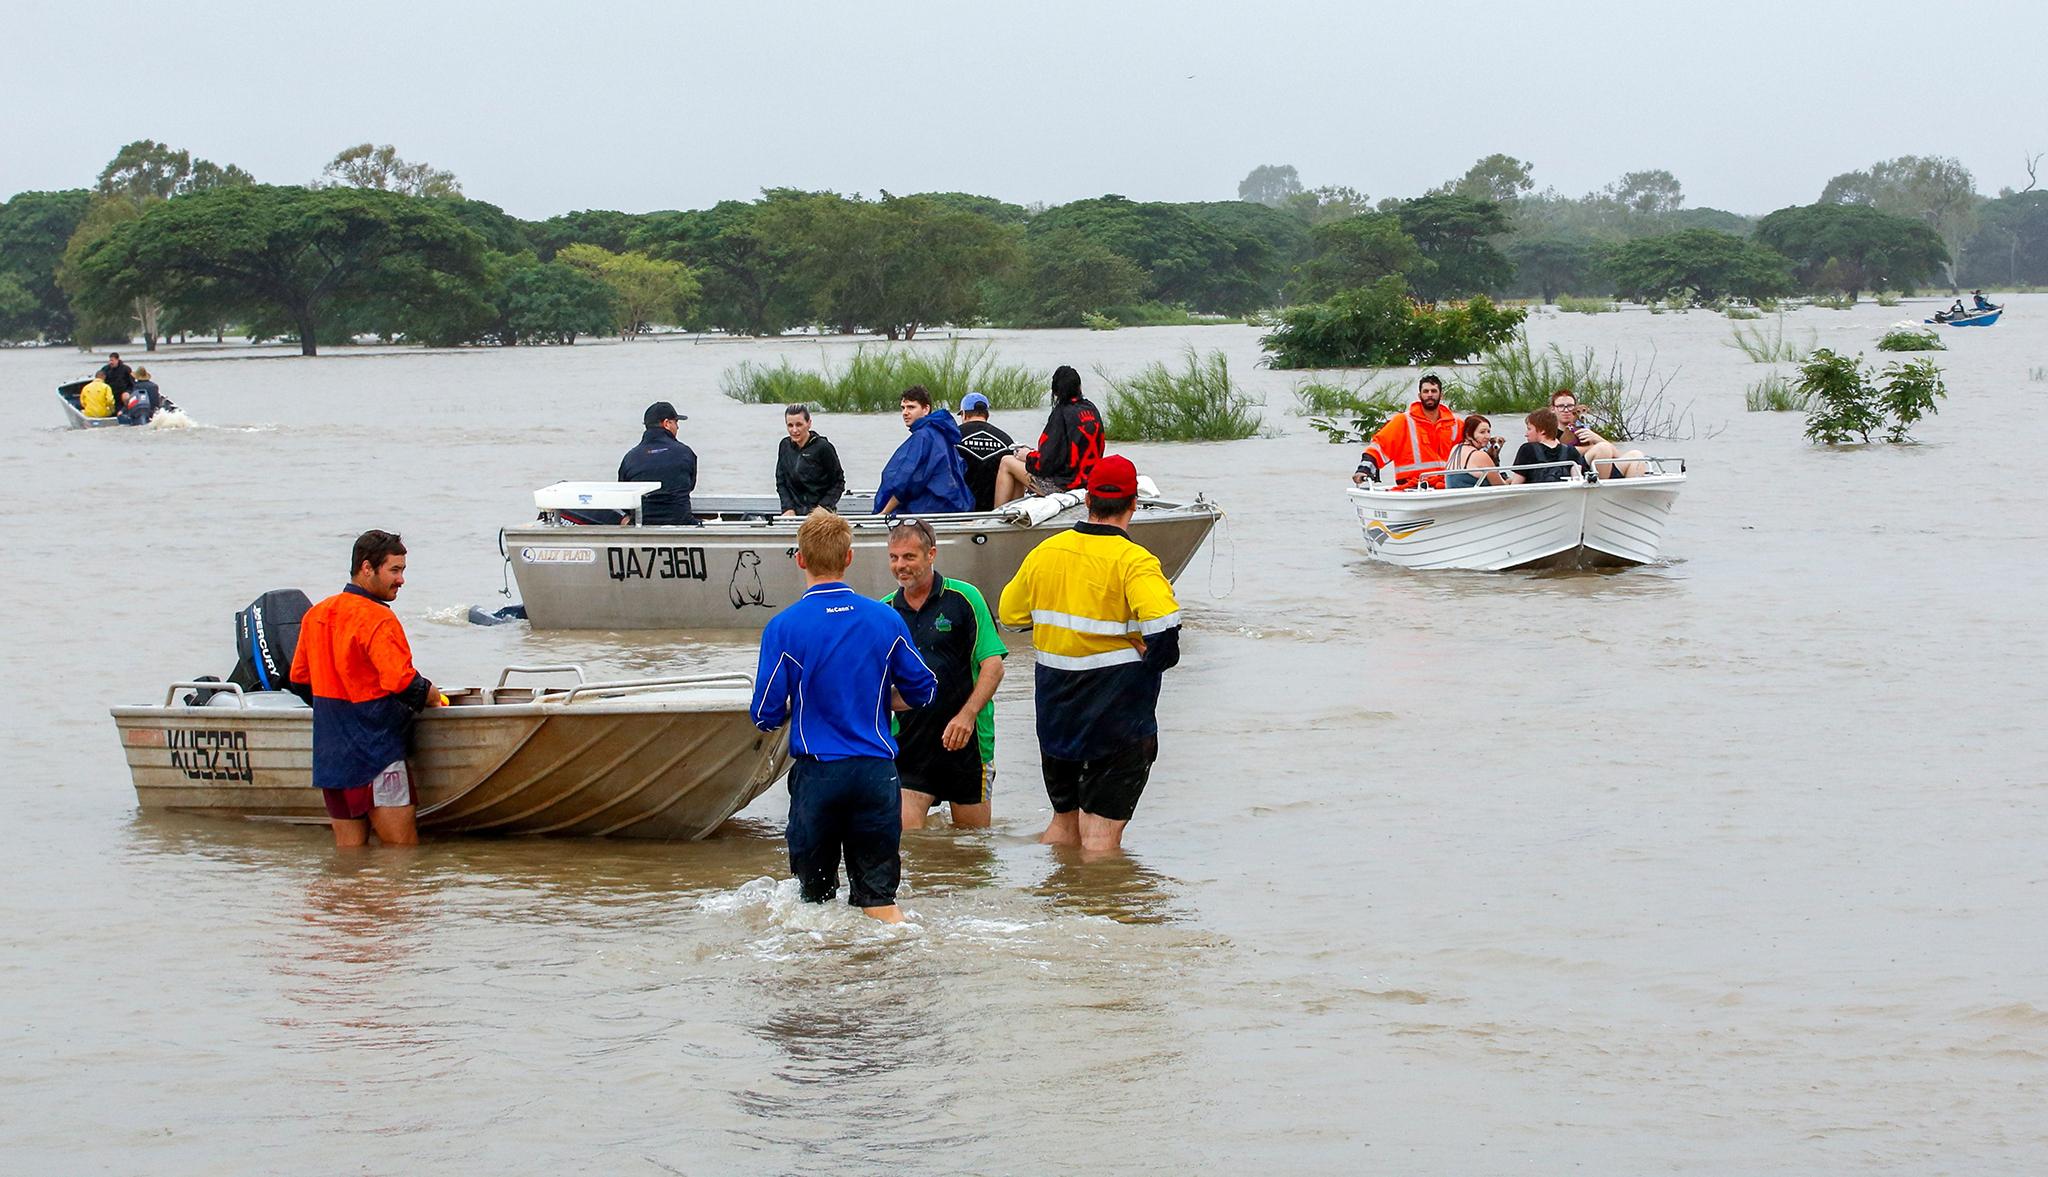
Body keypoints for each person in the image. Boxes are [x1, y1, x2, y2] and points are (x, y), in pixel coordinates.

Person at [750, 509, 938, 922]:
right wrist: (875, 698)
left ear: (800, 559)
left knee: (813, 905)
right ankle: (899, 965)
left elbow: (764, 713)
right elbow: (924, 690)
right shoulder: (885, 618)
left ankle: (826, 977)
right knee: (880, 900)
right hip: (875, 773)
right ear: (849, 558)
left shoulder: (784, 627)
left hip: (818, 776)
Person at [998, 455, 1181, 853]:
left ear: (1087, 500)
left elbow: (1011, 616)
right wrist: (1146, 652)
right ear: (1134, 504)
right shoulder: (1136, 562)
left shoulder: (1047, 552)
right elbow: (1166, 638)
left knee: (1063, 825)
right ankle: (1094, 910)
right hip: (1116, 719)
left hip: (1056, 713)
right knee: (1100, 839)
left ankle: (1057, 901)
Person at [288, 530, 444, 848]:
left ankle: (350, 899)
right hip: (376, 755)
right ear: (367, 568)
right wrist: (430, 694)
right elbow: (401, 682)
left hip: (331, 755)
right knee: (401, 856)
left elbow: (299, 680)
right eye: (395, 570)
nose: (401, 580)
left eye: (402, 571)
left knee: (350, 858)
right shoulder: (378, 619)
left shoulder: (316, 614)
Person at [880, 518, 1006, 830]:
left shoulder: (965, 599)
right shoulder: (884, 612)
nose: (900, 566)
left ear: (931, 555)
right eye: (894, 557)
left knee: (973, 848)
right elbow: (872, 680)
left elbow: (994, 666)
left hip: (968, 741)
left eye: (909, 557)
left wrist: (967, 715)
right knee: (907, 844)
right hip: (908, 744)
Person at [994, 365, 1104, 504]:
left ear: (1056, 392)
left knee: (1007, 462)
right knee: (1019, 466)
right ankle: (1010, 513)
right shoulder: (1091, 408)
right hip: (1088, 482)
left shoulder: (1061, 414)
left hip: (1064, 486)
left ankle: (996, 516)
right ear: (1079, 387)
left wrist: (1027, 455)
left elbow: (1046, 463)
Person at [873, 386, 973, 515]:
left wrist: (883, 513)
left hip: (929, 507)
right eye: (903, 408)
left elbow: (906, 480)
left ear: (926, 409)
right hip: (952, 504)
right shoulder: (941, 433)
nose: (905, 412)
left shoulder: (923, 437)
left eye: (911, 407)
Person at [1351, 374, 1463, 489]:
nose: (1430, 395)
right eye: (1426, 391)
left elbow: (1473, 446)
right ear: (1420, 396)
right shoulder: (1403, 421)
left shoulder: (1455, 423)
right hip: (1411, 485)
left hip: (1446, 485)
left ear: (1441, 395)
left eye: (1434, 391)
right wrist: (1364, 469)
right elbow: (1380, 447)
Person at [619, 401, 699, 525]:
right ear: (666, 423)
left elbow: (625, 500)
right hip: (681, 525)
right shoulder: (685, 453)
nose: (678, 427)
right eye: (676, 422)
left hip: (642, 528)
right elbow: (689, 486)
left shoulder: (630, 457)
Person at [1549, 389, 1645, 478]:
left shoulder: (1584, 428)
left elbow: (1616, 454)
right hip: (1577, 470)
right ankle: (1601, 491)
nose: (1566, 410)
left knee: (1636, 455)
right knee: (1603, 448)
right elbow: (1559, 452)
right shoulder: (1549, 432)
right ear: (1553, 409)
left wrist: (1597, 438)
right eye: (1561, 406)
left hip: (1601, 466)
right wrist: (1595, 448)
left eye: (1570, 406)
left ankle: (1629, 493)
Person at [775, 403, 845, 516]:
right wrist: (788, 508)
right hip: (794, 512)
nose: (794, 430)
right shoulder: (784, 446)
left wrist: (822, 508)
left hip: (820, 514)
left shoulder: (823, 447)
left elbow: (838, 482)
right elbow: (781, 481)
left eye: (799, 425)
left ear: (809, 424)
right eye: (790, 425)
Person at [953, 392, 1015, 512]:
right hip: (995, 512)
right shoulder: (1006, 440)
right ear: (987, 414)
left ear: (964, 414)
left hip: (961, 512)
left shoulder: (951, 437)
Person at [1508, 409, 1592, 485]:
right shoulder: (1571, 451)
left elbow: (1515, 486)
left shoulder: (1527, 449)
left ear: (1542, 431)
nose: (1526, 434)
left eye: (1529, 429)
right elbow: (1578, 482)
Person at [1445, 415, 1508, 488]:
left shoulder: (1455, 448)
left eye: (1488, 431)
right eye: (1482, 432)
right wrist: (1511, 481)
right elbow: (1500, 486)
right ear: (1468, 435)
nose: (1487, 436)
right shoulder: (1480, 456)